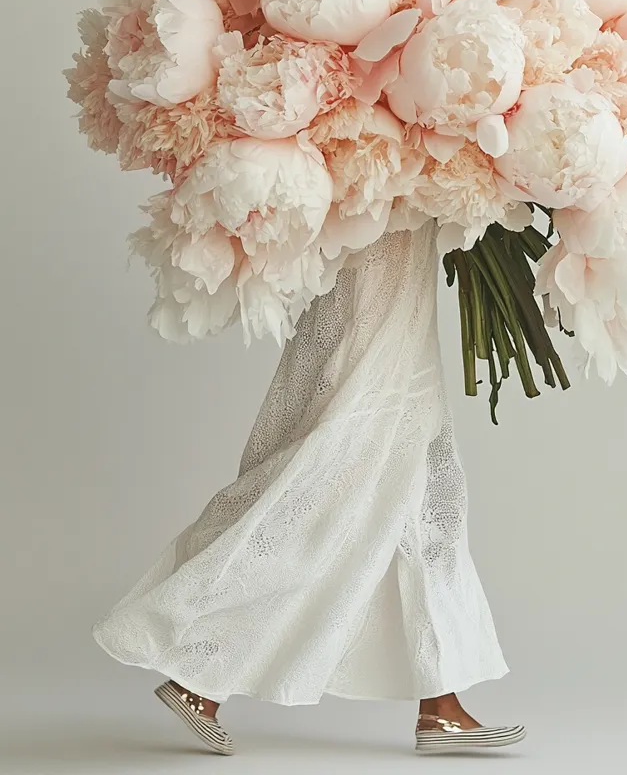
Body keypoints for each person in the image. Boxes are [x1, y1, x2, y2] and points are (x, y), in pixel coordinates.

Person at [93, 221, 526, 756]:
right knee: (326, 497)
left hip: (398, 291)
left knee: (426, 507)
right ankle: (196, 669)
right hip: (377, 292)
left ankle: (441, 705)